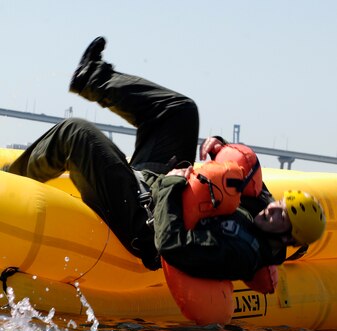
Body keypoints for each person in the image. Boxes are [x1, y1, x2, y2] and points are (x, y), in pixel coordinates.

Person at [7, 37, 326, 284]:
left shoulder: (242, 250)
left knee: (75, 132)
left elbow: (172, 246)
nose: (272, 209)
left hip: (144, 216)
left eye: (281, 216)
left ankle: (8, 184)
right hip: (163, 182)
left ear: (287, 238)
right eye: (280, 205)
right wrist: (222, 150)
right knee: (182, 111)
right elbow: (254, 185)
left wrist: (173, 183)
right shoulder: (266, 216)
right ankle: (91, 76)